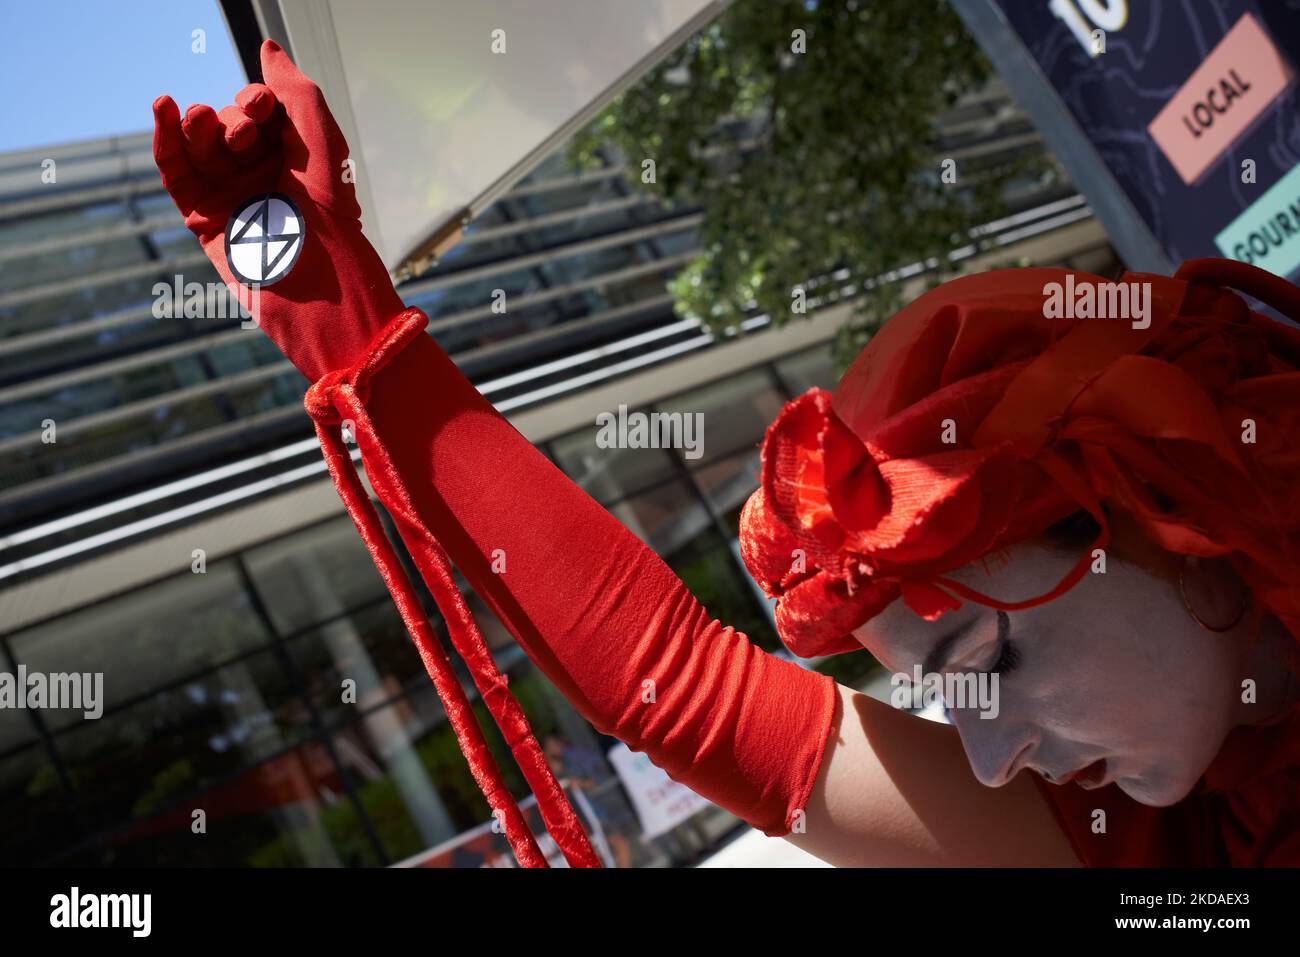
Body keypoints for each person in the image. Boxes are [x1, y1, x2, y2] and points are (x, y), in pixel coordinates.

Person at [151, 41, 1300, 867]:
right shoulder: (1164, 845)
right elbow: (677, 684)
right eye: (953, 703)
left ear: (1173, 508)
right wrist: (341, 323)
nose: (991, 762)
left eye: (989, 665)